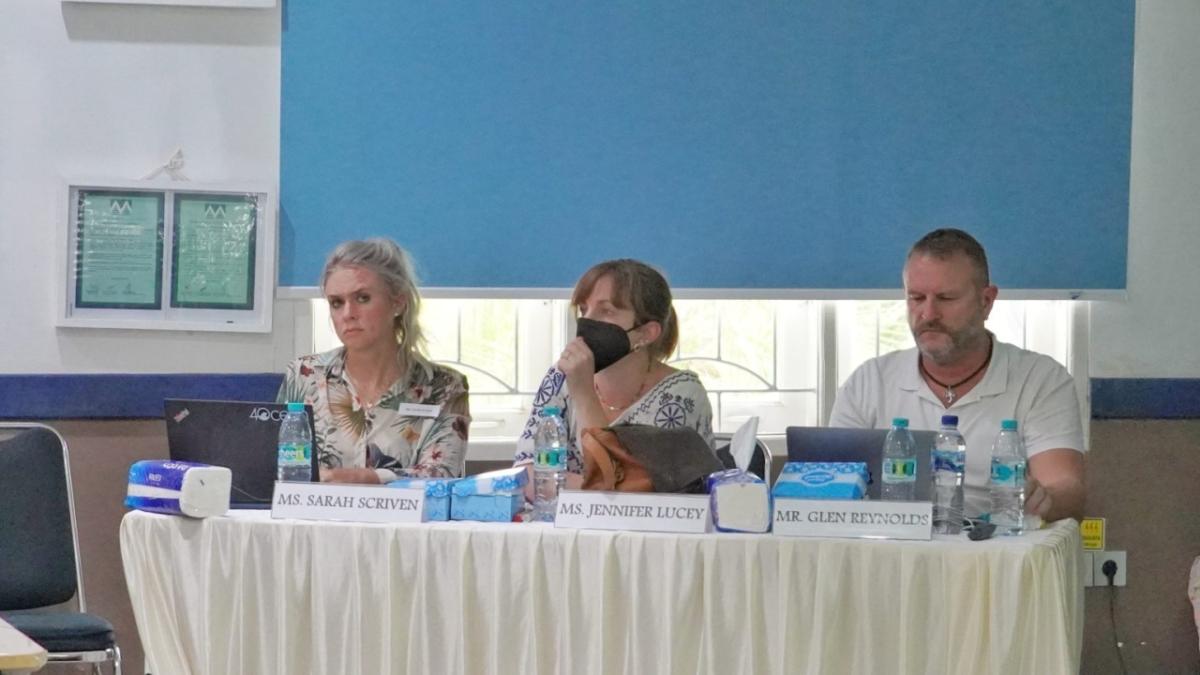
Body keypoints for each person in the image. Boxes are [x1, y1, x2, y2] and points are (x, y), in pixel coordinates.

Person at [829, 228, 1086, 522]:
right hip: (889, 553)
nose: (928, 313)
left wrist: (1044, 500)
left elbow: (1066, 488)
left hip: (994, 552)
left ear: (986, 301)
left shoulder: (1041, 379)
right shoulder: (869, 381)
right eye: (916, 298)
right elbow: (835, 491)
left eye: (946, 298)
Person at [278, 238, 470, 483]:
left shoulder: (445, 386)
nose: (348, 314)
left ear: (398, 302)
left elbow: (441, 476)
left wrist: (356, 478)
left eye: (363, 298)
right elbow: (277, 468)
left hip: (404, 520)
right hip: (315, 519)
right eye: (337, 303)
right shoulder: (305, 375)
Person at [514, 259, 714, 487]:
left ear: (646, 333)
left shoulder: (681, 396)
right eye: (583, 309)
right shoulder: (561, 376)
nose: (587, 320)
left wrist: (584, 394)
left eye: (606, 311)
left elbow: (630, 493)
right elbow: (526, 476)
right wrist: (591, 487)